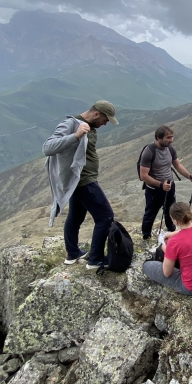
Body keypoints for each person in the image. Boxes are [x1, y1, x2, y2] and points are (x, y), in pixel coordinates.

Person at [43, 100, 118, 270]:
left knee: (76, 217)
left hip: (81, 181)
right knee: (106, 217)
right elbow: (47, 148)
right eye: (105, 120)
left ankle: (73, 253)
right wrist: (75, 136)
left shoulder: (91, 127)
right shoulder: (71, 124)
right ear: (96, 114)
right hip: (83, 181)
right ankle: (95, 259)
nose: (105, 124)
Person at [141, 202, 192, 295]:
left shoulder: (174, 242)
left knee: (146, 266)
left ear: (175, 221)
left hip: (191, 287)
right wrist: (172, 234)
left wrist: (165, 248)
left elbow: (167, 273)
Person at [139, 125, 192, 244]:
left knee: (171, 210)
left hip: (170, 186)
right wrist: (160, 185)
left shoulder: (170, 149)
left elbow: (177, 165)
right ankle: (146, 237)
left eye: (172, 137)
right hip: (154, 189)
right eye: (168, 138)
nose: (171, 140)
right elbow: (143, 176)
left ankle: (172, 231)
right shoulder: (149, 152)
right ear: (158, 138)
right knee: (151, 212)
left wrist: (189, 176)